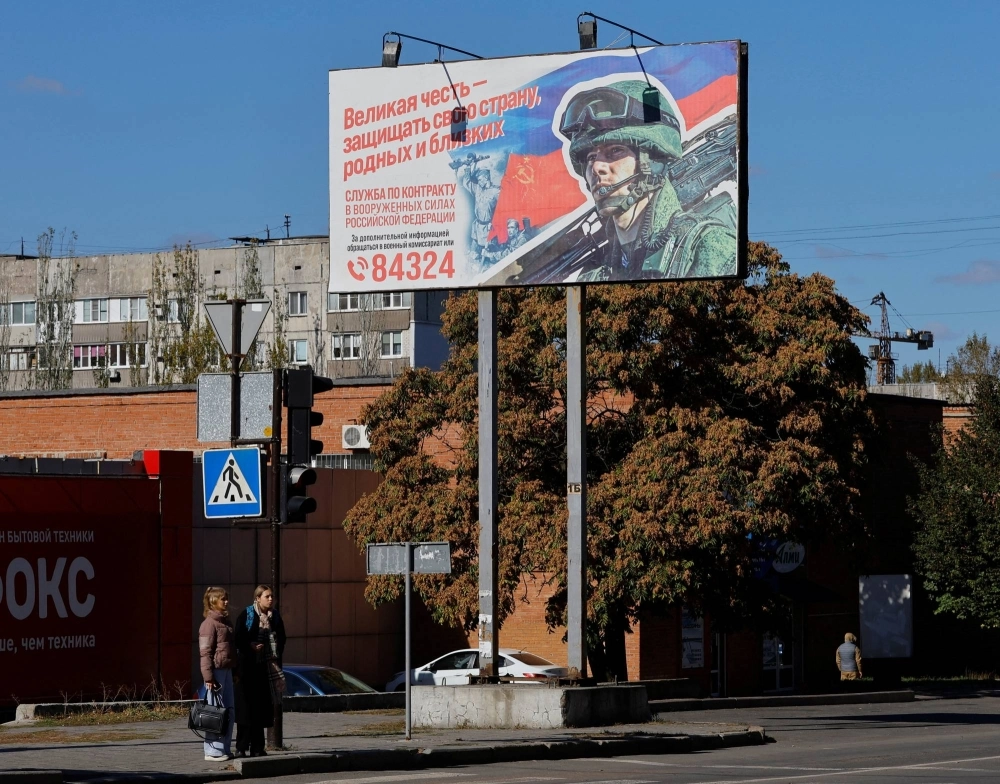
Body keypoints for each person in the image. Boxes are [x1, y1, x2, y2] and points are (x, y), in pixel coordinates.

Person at [557, 80, 737, 282]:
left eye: (615, 151)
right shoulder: (593, 277)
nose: (596, 168)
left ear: (652, 163)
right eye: (590, 157)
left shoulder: (708, 248)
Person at [234, 585, 287, 758]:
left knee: (262, 710)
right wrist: (250, 646)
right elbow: (238, 638)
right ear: (257, 598)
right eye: (267, 596)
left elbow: (282, 638)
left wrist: (274, 653)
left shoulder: (275, 616)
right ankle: (241, 747)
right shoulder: (247, 615)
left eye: (272, 596)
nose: (271, 599)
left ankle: (258, 747)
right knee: (245, 710)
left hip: (265, 669)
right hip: (247, 670)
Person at [198, 586, 238, 762]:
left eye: (227, 598)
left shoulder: (226, 622)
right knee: (214, 712)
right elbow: (205, 652)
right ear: (214, 601)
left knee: (228, 711)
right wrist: (208, 676)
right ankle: (212, 750)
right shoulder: (208, 624)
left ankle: (224, 748)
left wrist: (235, 671)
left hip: (227, 670)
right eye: (223, 599)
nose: (226, 601)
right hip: (216, 672)